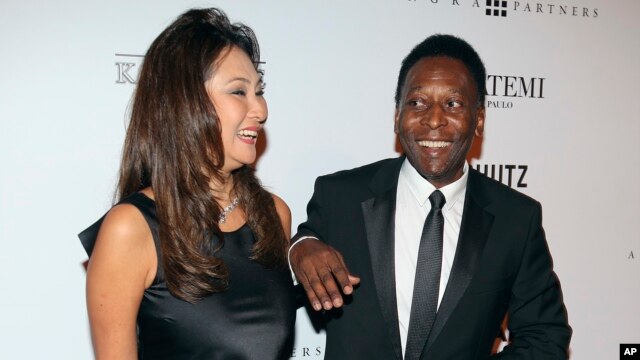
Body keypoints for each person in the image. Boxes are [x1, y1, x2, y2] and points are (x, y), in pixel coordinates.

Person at [289, 34, 571, 359]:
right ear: (397, 116)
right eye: (417, 103)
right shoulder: (341, 195)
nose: (434, 120)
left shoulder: (516, 220)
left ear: (478, 120)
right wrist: (300, 248)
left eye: (452, 104)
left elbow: (545, 338)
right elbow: (305, 243)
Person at [79, 8, 295, 359]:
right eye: (239, 91)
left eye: (259, 90)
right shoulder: (131, 229)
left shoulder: (273, 215)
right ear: (186, 103)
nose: (261, 109)